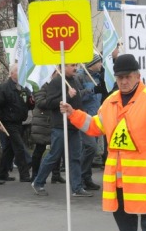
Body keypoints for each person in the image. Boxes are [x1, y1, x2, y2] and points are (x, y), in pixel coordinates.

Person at [60, 54, 146, 231]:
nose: (123, 81)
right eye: (120, 77)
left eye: (128, 76)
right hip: (118, 171)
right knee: (121, 210)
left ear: (138, 76)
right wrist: (73, 114)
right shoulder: (111, 101)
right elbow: (95, 126)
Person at [31, 64, 90, 197]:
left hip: (73, 125)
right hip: (60, 126)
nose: (75, 68)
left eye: (76, 65)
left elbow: (77, 102)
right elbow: (50, 103)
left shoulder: (73, 81)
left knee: (75, 157)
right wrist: (66, 97)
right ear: (63, 67)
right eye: (72, 65)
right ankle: (38, 182)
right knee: (54, 156)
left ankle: (77, 187)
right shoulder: (56, 81)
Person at [0, 63, 34, 182]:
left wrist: (32, 102)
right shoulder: (4, 88)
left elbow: (29, 105)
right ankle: (24, 174)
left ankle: (1, 173)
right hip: (8, 122)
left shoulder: (24, 87)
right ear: (11, 73)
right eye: (18, 71)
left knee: (9, 149)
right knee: (19, 147)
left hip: (19, 122)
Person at [78, 54, 107, 190]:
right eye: (99, 62)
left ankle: (86, 178)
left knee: (90, 149)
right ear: (92, 64)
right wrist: (90, 91)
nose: (101, 64)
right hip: (85, 118)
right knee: (90, 147)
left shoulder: (99, 77)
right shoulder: (80, 76)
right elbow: (77, 97)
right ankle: (80, 177)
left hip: (96, 119)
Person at [29, 70, 65, 183]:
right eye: (58, 73)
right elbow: (40, 102)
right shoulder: (41, 85)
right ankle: (35, 175)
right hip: (42, 121)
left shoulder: (57, 86)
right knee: (39, 149)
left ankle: (56, 174)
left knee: (57, 148)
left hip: (53, 120)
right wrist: (56, 101)